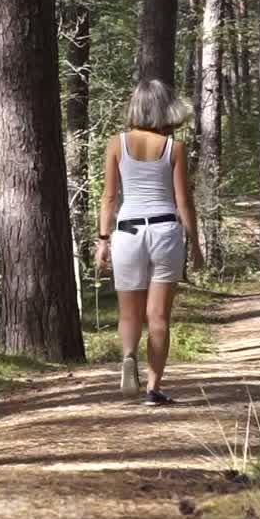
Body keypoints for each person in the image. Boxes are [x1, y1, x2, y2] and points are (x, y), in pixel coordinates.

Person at [94, 79, 204, 406]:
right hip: (165, 231)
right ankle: (153, 389)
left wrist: (103, 240)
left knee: (130, 314)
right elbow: (183, 201)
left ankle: (129, 356)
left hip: (127, 231)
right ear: (164, 109)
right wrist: (195, 243)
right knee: (158, 317)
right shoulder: (174, 148)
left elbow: (109, 197)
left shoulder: (117, 144)